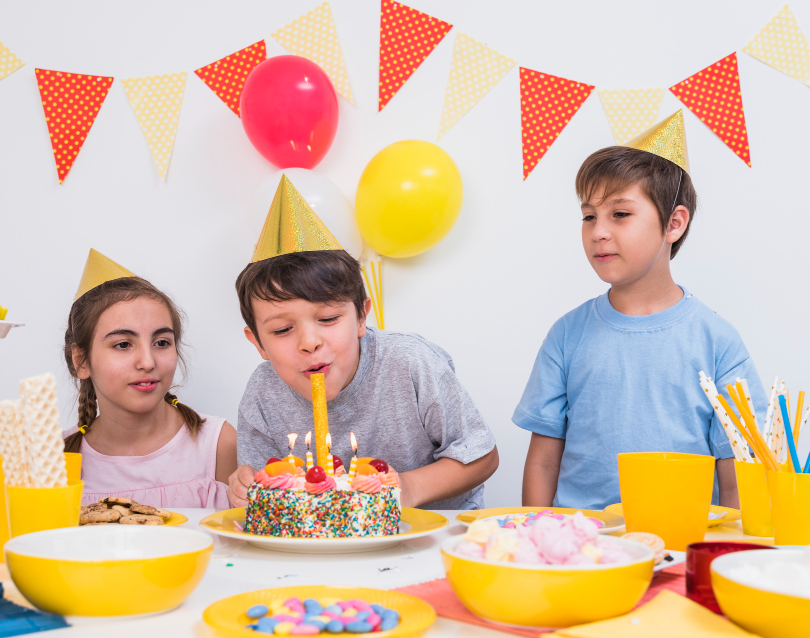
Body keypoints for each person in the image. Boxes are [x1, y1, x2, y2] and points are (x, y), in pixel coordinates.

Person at [514, 111, 765, 511]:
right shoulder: (566, 335)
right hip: (584, 545)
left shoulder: (717, 341)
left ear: (674, 224)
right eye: (589, 216)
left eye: (620, 214)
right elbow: (543, 462)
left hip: (681, 543)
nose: (598, 231)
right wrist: (537, 538)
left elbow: (735, 476)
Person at [227, 175, 498, 510]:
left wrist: (406, 490)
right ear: (258, 343)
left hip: (431, 538)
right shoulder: (262, 393)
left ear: (360, 317)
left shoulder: (410, 362)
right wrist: (248, 487)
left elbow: (481, 456)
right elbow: (265, 485)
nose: (309, 342)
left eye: (327, 319)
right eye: (282, 330)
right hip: (328, 547)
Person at [62, 249, 235, 508]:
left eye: (162, 342)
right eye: (123, 345)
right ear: (81, 361)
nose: (148, 362)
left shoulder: (218, 444)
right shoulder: (56, 459)